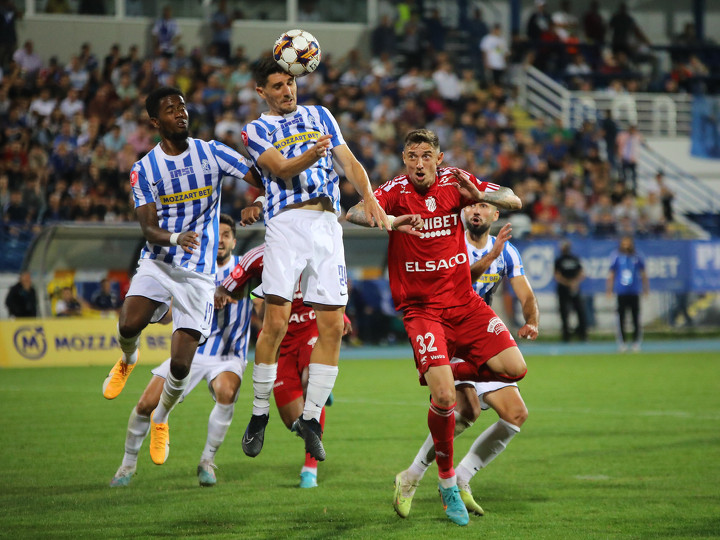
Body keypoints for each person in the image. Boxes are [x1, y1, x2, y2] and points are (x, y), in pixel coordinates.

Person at [346, 129, 526, 526]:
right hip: (422, 310)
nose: (419, 163)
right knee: (446, 399)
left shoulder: (455, 182)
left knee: (515, 368)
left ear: (439, 158)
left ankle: (442, 367)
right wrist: (389, 220)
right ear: (404, 159)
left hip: (464, 303)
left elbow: (513, 198)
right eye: (412, 156)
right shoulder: (395, 190)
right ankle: (447, 485)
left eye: (426, 155)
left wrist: (478, 194)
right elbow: (353, 213)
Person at [238, 57, 389, 463]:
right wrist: (313, 152)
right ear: (261, 91)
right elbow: (282, 168)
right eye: (277, 85)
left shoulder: (321, 114)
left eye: (290, 82)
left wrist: (370, 197)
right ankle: (259, 414)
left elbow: (349, 161)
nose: (287, 90)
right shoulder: (255, 129)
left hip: (326, 225)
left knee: (334, 326)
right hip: (286, 224)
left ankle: (311, 420)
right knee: (275, 323)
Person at [101, 87, 255, 468]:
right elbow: (148, 228)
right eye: (171, 109)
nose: (180, 113)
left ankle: (162, 418)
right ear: (156, 121)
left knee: (181, 365)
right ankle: (128, 358)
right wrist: (175, 238)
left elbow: (258, 174)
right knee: (128, 323)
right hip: (160, 262)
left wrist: (261, 200)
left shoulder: (212, 152)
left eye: (183, 107)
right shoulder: (145, 169)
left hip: (199, 276)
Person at [393, 201, 538, 518]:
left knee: (515, 414)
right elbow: (457, 282)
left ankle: (461, 477)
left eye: (483, 206)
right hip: (448, 331)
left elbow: (525, 293)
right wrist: (490, 257)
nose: (475, 211)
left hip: (480, 335)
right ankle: (414, 476)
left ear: (494, 215)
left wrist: (532, 320)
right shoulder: (449, 240)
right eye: (470, 205)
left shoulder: (507, 251)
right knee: (465, 411)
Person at [110, 215, 255, 487]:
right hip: (191, 352)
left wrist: (236, 295)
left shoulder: (245, 269)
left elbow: (263, 301)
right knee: (145, 404)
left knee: (226, 392)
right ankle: (126, 466)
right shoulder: (193, 268)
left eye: (227, 235)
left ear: (234, 241)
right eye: (217, 234)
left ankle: (207, 461)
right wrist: (156, 310)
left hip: (227, 356)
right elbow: (168, 316)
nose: (221, 241)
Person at [215, 230, 352, 489]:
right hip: (281, 344)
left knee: (311, 382)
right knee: (293, 421)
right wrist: (244, 297)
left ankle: (310, 469)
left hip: (311, 331)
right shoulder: (258, 257)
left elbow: (333, 285)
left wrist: (341, 317)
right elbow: (235, 288)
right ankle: (318, 391)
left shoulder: (318, 248)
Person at [606, 236, 649, 352]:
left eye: (628, 243)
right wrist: (609, 290)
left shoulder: (637, 256)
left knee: (636, 317)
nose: (626, 245)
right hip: (621, 291)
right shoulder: (616, 256)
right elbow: (611, 274)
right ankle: (622, 342)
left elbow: (643, 273)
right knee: (621, 317)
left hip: (634, 291)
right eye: (624, 243)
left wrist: (645, 289)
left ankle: (636, 342)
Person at [554, 241, 587, 341]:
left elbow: (581, 272)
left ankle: (582, 334)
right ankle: (566, 335)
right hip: (563, 288)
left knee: (580, 311)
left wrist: (575, 282)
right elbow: (557, 275)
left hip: (574, 288)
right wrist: (569, 283)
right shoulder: (559, 260)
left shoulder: (574, 259)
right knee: (564, 312)